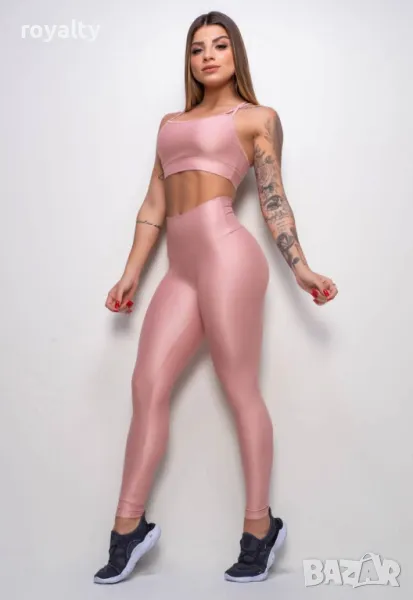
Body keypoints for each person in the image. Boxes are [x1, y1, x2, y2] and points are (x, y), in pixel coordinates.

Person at [93, 10, 338, 586]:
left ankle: (260, 527)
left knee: (239, 389)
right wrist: (130, 274)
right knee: (146, 386)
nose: (207, 56)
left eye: (219, 45)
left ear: (236, 54)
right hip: (179, 269)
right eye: (197, 48)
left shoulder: (256, 117)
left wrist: (300, 267)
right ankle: (128, 527)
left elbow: (274, 199)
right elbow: (154, 205)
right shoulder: (170, 123)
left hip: (229, 257)